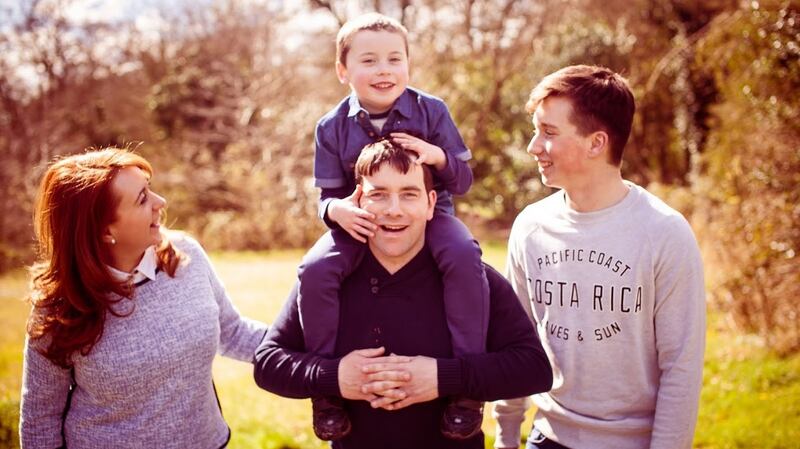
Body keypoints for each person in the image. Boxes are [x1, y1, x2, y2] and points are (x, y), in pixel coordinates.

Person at [254, 140, 553, 449]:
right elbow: (268, 363)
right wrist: (334, 376)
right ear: (357, 202)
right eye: (378, 195)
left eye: (409, 194)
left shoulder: (471, 280)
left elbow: (533, 369)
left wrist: (444, 377)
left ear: (430, 203)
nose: (393, 210)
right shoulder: (328, 281)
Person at [299, 12, 490, 441]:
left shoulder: (431, 110)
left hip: (430, 215)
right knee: (315, 269)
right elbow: (326, 197)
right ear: (343, 71)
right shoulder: (331, 127)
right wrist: (336, 214)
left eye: (394, 59)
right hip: (361, 220)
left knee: (463, 255)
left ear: (408, 64)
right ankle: (326, 391)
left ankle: (466, 388)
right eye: (369, 61)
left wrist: (436, 155)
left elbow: (462, 178)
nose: (384, 70)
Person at [493, 65, 706, 449]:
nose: (533, 146)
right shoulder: (530, 227)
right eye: (536, 130)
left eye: (549, 132)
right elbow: (516, 342)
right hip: (547, 437)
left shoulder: (664, 233)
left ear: (596, 143)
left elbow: (681, 369)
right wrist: (508, 436)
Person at [19, 148, 268, 449]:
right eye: (142, 198)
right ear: (103, 230)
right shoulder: (59, 306)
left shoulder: (186, 257)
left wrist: (321, 349)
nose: (160, 202)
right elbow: (40, 418)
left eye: (149, 188)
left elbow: (234, 332)